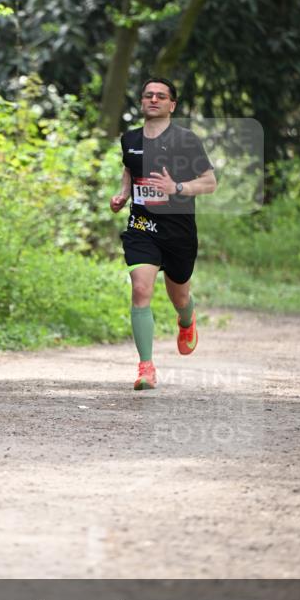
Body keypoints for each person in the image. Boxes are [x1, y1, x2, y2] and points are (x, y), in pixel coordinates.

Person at [110, 78, 217, 390]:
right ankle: (146, 367)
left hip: (178, 229)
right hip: (142, 227)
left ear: (172, 104)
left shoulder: (186, 140)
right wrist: (122, 194)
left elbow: (209, 182)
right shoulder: (129, 138)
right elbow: (130, 170)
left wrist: (177, 188)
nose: (153, 99)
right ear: (142, 102)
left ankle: (186, 319)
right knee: (141, 290)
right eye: (148, 95)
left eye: (160, 96)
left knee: (179, 295)